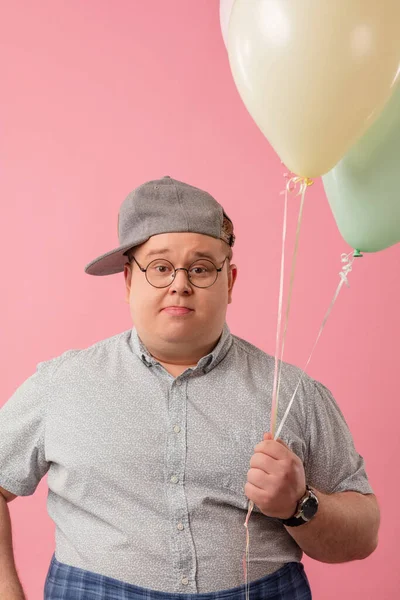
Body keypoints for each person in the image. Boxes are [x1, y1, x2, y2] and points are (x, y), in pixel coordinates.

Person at [0, 176, 379, 600]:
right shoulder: (61, 384)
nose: (179, 284)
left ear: (229, 281)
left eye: (200, 268)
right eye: (160, 267)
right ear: (128, 281)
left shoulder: (294, 393)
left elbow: (363, 534)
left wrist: (301, 504)